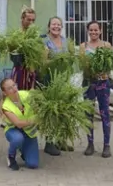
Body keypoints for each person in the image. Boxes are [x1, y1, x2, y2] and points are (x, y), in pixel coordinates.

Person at [79, 21, 113, 158]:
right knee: (88, 114)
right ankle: (90, 144)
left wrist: (103, 70)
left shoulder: (106, 45)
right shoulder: (83, 46)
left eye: (96, 30)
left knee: (105, 113)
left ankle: (106, 145)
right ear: (88, 31)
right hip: (88, 83)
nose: (93, 32)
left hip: (103, 83)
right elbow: (82, 64)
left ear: (100, 31)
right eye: (91, 30)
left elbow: (110, 64)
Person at [0, 78, 39, 171]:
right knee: (18, 138)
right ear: (5, 93)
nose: (14, 89)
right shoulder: (6, 106)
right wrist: (35, 119)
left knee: (33, 164)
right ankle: (11, 157)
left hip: (29, 132)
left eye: (14, 85)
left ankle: (23, 149)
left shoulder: (25, 94)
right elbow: (18, 124)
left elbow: (38, 104)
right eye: (9, 88)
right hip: (14, 130)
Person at [41, 16, 68, 156]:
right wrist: (55, 61)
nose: (56, 27)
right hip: (49, 79)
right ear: (49, 26)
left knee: (62, 109)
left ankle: (59, 140)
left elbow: (69, 58)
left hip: (62, 78)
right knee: (51, 110)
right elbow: (43, 63)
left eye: (58, 24)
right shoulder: (44, 41)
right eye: (53, 24)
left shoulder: (65, 41)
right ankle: (49, 143)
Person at [11, 7, 37, 90]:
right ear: (22, 19)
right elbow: (12, 56)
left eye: (33, 20)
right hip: (20, 71)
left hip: (33, 71)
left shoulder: (35, 36)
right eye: (28, 20)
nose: (31, 22)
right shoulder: (16, 35)